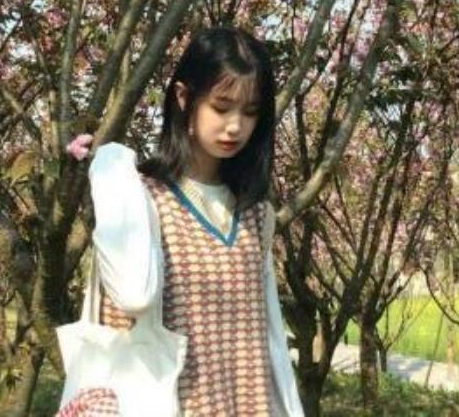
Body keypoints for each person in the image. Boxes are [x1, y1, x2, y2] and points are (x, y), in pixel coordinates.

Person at [84, 26, 303, 416]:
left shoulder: (255, 215)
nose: (235, 126)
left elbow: (268, 338)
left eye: (250, 112)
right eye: (221, 107)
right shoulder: (143, 202)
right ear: (184, 98)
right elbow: (130, 300)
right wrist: (109, 168)